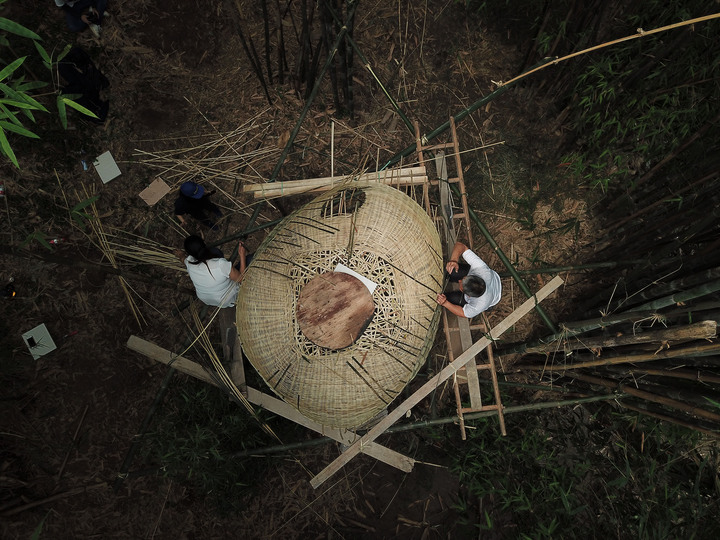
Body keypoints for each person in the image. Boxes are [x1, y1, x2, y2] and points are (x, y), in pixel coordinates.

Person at [178, 236, 249, 308]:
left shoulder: (189, 264)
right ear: (204, 244)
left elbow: (182, 259)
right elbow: (241, 279)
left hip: (209, 300)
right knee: (248, 260)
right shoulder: (220, 265)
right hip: (230, 298)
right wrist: (242, 255)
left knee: (216, 253)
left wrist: (180, 254)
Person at [436, 241, 501, 318]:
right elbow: (461, 245)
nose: (459, 281)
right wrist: (454, 260)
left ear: (468, 295)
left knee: (448, 299)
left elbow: (463, 313)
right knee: (450, 270)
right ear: (474, 276)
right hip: (493, 279)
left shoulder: (479, 304)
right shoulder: (481, 270)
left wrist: (445, 303)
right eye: (464, 278)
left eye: (461, 284)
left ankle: (446, 299)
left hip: (493, 298)